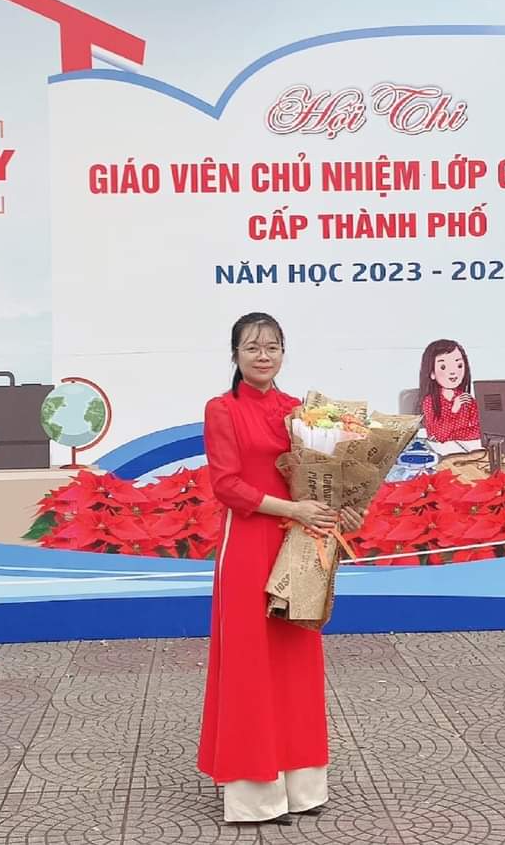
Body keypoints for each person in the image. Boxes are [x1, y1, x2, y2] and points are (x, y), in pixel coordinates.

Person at [198, 312, 362, 825]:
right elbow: (227, 486)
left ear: (284, 353)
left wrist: (344, 506)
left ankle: (303, 787)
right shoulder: (222, 409)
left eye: (272, 346)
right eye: (252, 347)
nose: (263, 355)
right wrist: (293, 509)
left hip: (300, 541)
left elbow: (325, 477)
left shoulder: (301, 412)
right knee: (250, 661)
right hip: (249, 542)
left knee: (296, 657)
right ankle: (255, 796)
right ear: (235, 355)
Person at [417, 339, 481, 442]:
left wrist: (452, 435)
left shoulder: (466, 399)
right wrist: (454, 410)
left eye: (459, 365)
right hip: (439, 449)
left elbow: (479, 430)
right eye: (443, 367)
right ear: (432, 373)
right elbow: (440, 435)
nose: (453, 372)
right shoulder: (429, 402)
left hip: (463, 447)